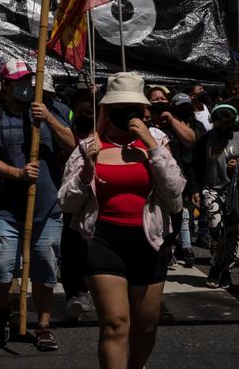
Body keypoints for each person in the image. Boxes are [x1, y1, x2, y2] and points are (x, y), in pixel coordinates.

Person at [59, 72, 186, 369]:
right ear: (107, 109)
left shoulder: (156, 141)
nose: (127, 113)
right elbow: (66, 201)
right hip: (103, 241)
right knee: (116, 323)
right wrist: (87, 170)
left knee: (145, 326)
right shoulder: (89, 146)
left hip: (149, 242)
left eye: (133, 107)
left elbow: (175, 192)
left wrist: (150, 147)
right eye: (119, 107)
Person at [0, 59, 74, 351]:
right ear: (5, 85)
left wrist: (49, 119)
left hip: (47, 210)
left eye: (27, 81)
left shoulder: (50, 111)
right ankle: (3, 310)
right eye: (17, 81)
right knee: (2, 266)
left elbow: (72, 143)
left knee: (45, 268)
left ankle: (43, 325)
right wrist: (15, 173)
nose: (24, 86)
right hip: (6, 210)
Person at [147, 87, 202, 266]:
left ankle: (171, 246)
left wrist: (170, 119)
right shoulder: (145, 124)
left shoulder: (174, 121)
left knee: (178, 218)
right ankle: (160, 251)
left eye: (163, 98)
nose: (160, 101)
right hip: (150, 184)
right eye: (155, 99)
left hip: (174, 182)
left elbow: (190, 140)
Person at [63, 88, 97, 322]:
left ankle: (89, 291)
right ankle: (74, 294)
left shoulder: (102, 140)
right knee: (72, 251)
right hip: (72, 204)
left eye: (90, 112)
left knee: (90, 254)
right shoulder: (70, 136)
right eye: (80, 112)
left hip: (96, 209)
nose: (84, 115)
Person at [199, 102, 239, 288]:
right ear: (213, 120)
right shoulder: (205, 138)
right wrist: (195, 190)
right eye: (221, 122)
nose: (224, 126)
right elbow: (196, 164)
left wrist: (237, 166)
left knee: (232, 233)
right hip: (212, 189)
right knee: (216, 230)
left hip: (235, 193)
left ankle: (225, 271)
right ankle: (216, 266)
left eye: (228, 123)